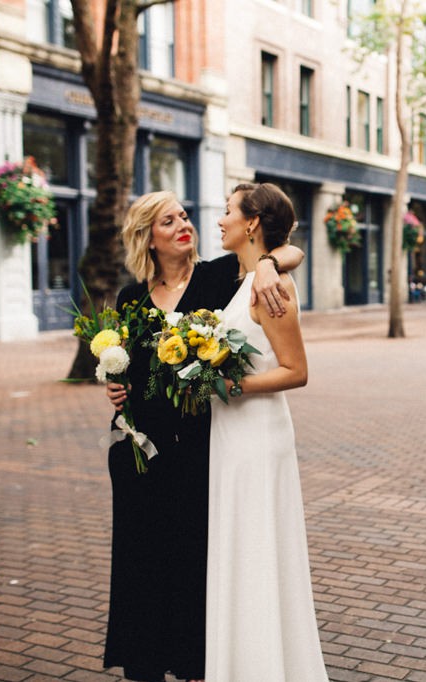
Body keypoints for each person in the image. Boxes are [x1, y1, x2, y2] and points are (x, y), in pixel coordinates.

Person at [103, 190, 303, 682]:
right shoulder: (132, 299)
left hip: (200, 452)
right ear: (148, 237)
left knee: (193, 566)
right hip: (141, 453)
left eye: (186, 216)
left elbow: (287, 248)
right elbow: (131, 367)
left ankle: (195, 664)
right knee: (142, 565)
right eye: (169, 221)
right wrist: (113, 384)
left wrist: (271, 266)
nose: (184, 225)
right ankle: (144, 663)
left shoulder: (218, 277)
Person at [206, 183, 328, 680]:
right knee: (240, 553)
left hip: (256, 436)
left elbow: (296, 370)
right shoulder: (248, 277)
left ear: (252, 222)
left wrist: (233, 384)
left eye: (228, 211)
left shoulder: (269, 286)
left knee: (259, 553)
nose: (220, 219)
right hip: (232, 436)